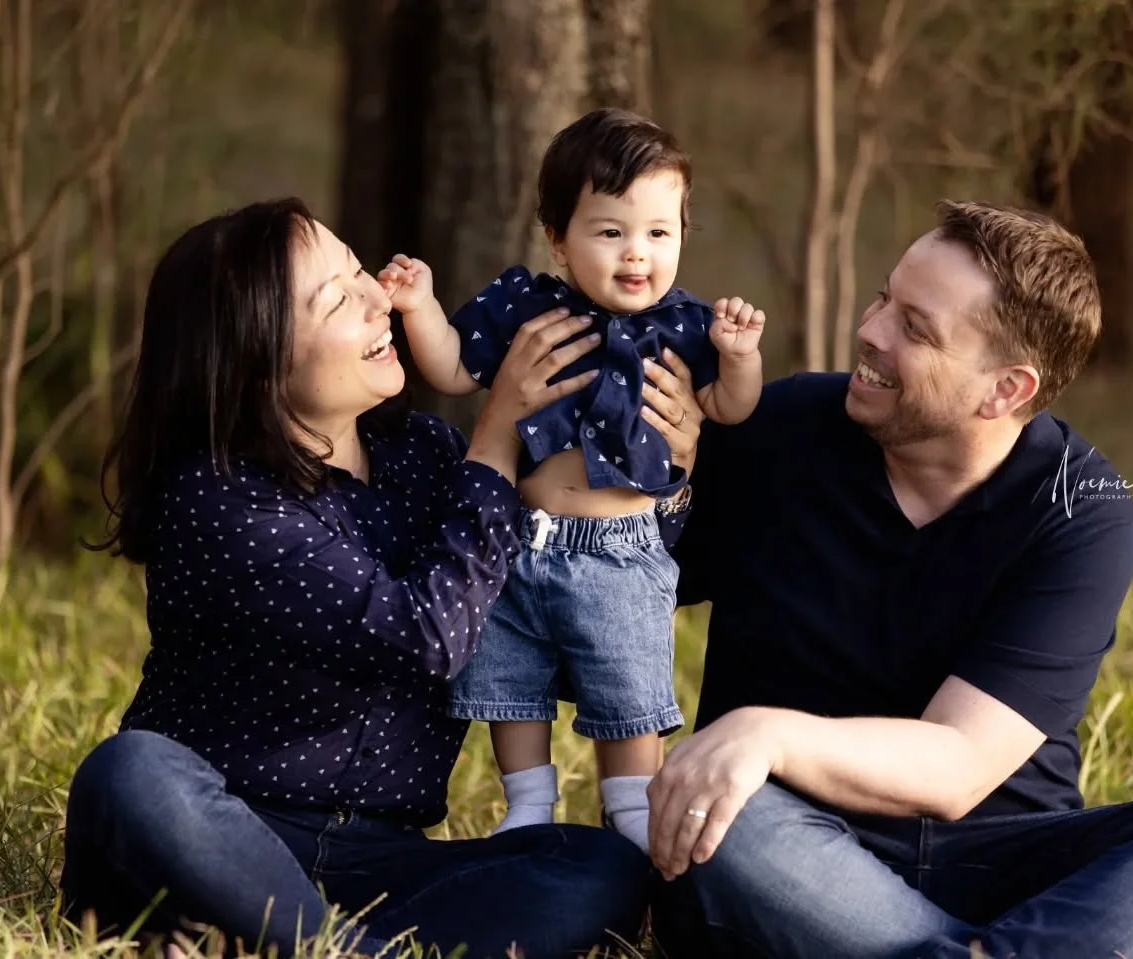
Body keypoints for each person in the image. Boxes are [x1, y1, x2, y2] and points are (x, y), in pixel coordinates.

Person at [57, 196, 703, 958]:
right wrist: (495, 438)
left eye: (360, 272)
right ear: (256, 355)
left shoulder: (420, 456)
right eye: (337, 296)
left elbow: (586, 565)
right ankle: (328, 945)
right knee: (128, 774)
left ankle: (296, 942)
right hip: (225, 822)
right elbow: (425, 637)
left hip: (383, 863)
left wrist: (669, 476)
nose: (377, 299)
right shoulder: (220, 497)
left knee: (595, 865)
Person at [645, 200, 1133, 958]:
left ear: (1006, 389)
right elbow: (622, 589)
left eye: (915, 327)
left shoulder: (1078, 511)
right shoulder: (779, 429)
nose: (870, 331)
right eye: (882, 298)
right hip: (793, 846)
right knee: (727, 818)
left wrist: (767, 729)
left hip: (1005, 859)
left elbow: (957, 763)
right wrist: (655, 482)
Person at [376, 107, 766, 853]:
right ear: (558, 237)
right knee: (508, 674)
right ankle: (527, 804)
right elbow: (454, 365)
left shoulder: (687, 325)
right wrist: (419, 306)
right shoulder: (528, 307)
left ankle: (628, 814)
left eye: (659, 232)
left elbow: (727, 408)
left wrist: (740, 356)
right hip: (522, 541)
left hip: (622, 549)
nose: (636, 254)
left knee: (629, 688)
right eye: (610, 231)